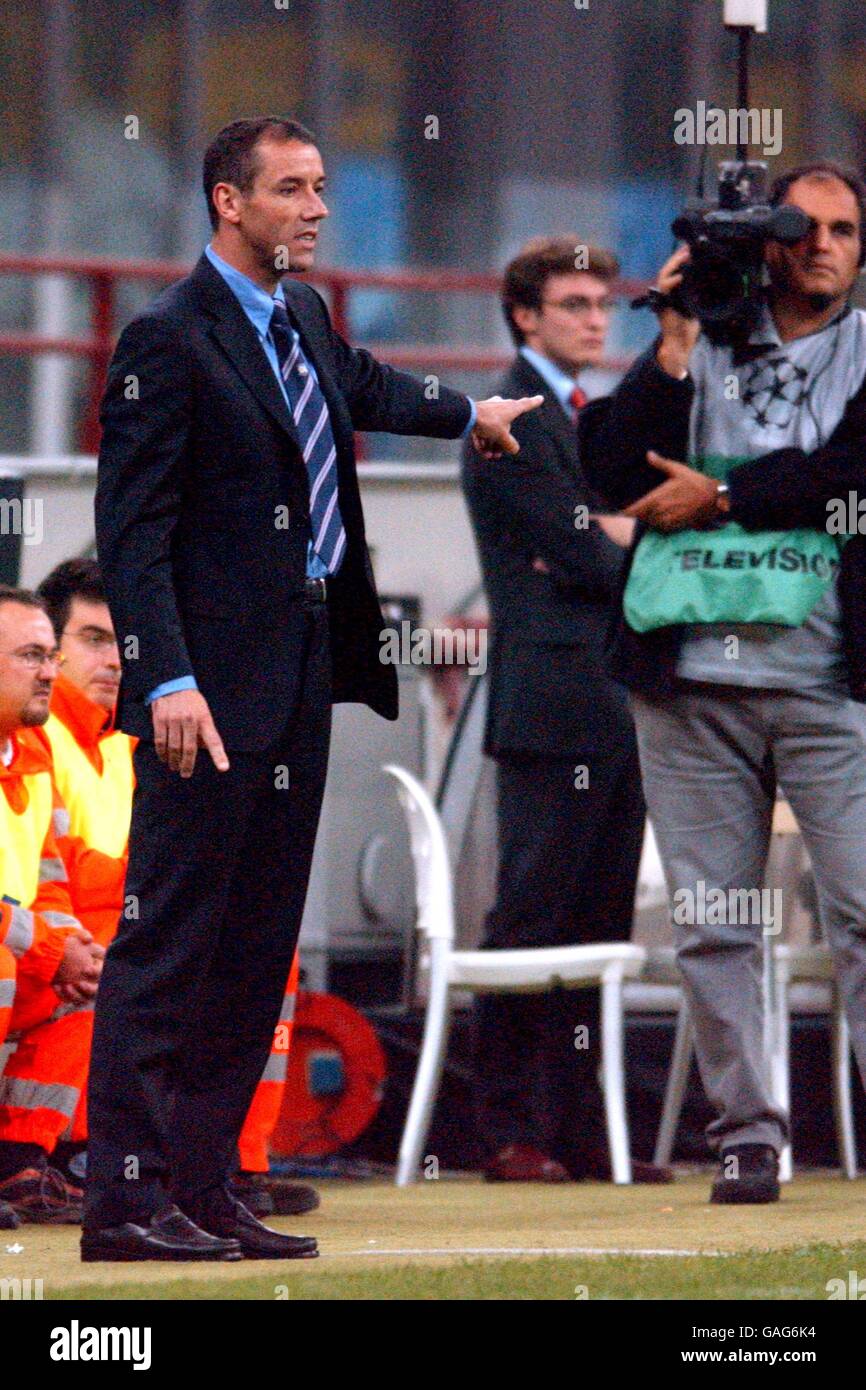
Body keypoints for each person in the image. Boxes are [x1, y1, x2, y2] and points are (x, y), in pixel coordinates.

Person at [85, 115, 542, 1263]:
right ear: (228, 203)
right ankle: (124, 1204)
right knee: (169, 947)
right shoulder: (164, 337)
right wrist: (167, 676)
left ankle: (206, 1185)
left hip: (297, 684)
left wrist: (468, 412)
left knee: (252, 950)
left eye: (323, 187)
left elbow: (362, 383)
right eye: (292, 189)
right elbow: (130, 537)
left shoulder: (301, 317)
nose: (318, 208)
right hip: (204, 696)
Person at [580, 161, 866, 1203]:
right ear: (764, 243)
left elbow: (849, 474)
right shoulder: (694, 338)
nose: (821, 244)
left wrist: (722, 496)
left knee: (861, 909)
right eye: (800, 228)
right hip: (686, 671)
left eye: (841, 228)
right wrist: (666, 342)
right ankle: (746, 1130)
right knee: (710, 916)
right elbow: (607, 473)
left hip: (832, 678)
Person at [462, 236, 668, 1183]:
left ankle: (579, 1128)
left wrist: (611, 533)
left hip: (618, 702)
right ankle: (507, 1130)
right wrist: (619, 531)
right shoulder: (511, 417)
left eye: (600, 304)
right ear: (525, 315)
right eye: (575, 304)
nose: (594, 318)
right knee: (534, 918)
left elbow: (600, 545)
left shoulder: (600, 418)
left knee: (601, 924)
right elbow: (595, 555)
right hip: (550, 708)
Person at [37, 558, 313, 1216]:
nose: (112, 659)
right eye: (92, 640)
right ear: (53, 650)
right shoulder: (43, 734)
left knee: (261, 957)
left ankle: (233, 1159)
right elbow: (56, 875)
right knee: (148, 969)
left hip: (96, 933)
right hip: (61, 939)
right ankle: (48, 1155)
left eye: (119, 640)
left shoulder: (122, 738)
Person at [0, 587, 115, 1226]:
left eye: (50, 655)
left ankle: (19, 1161)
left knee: (95, 979)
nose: (50, 671)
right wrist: (47, 946)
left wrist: (72, 950)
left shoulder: (29, 752)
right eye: (29, 657)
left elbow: (49, 881)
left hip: (17, 948)